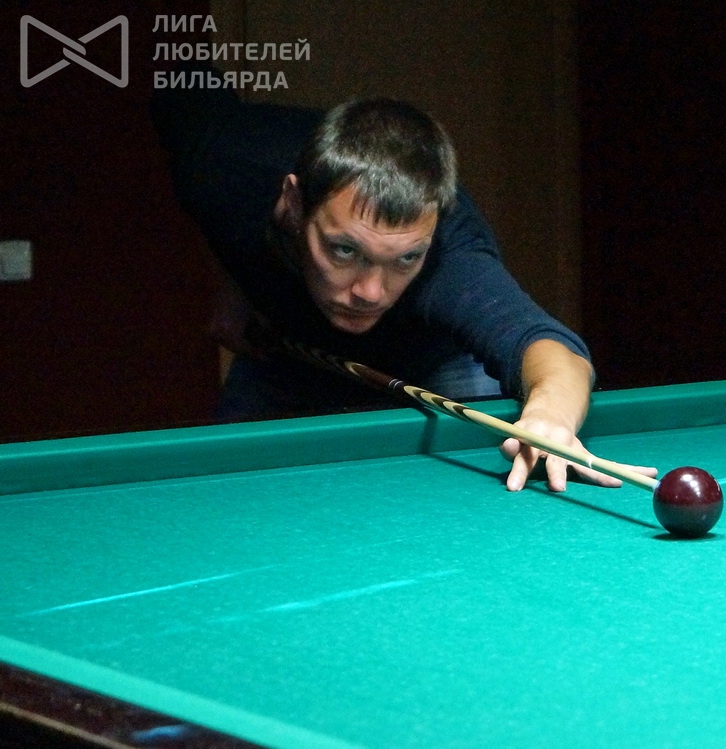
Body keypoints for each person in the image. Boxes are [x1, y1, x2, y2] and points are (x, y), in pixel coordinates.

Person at [152, 65, 655, 493]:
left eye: (404, 259)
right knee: (219, 492)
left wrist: (550, 415)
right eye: (344, 250)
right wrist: (234, 280)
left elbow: (547, 347)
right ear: (293, 204)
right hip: (288, 351)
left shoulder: (450, 256)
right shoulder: (221, 164)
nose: (370, 291)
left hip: (432, 364)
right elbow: (177, 74)